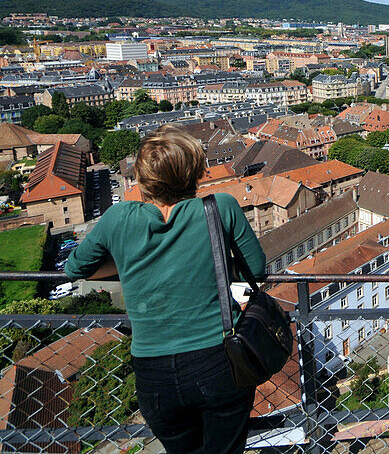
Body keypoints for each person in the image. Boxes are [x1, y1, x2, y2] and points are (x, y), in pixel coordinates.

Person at [66, 125, 266, 454]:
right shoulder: (221, 208)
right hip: (219, 361)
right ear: (194, 173)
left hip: (154, 374)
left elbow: (76, 268)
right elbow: (255, 270)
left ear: (142, 179)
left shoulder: (118, 218)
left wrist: (132, 261)